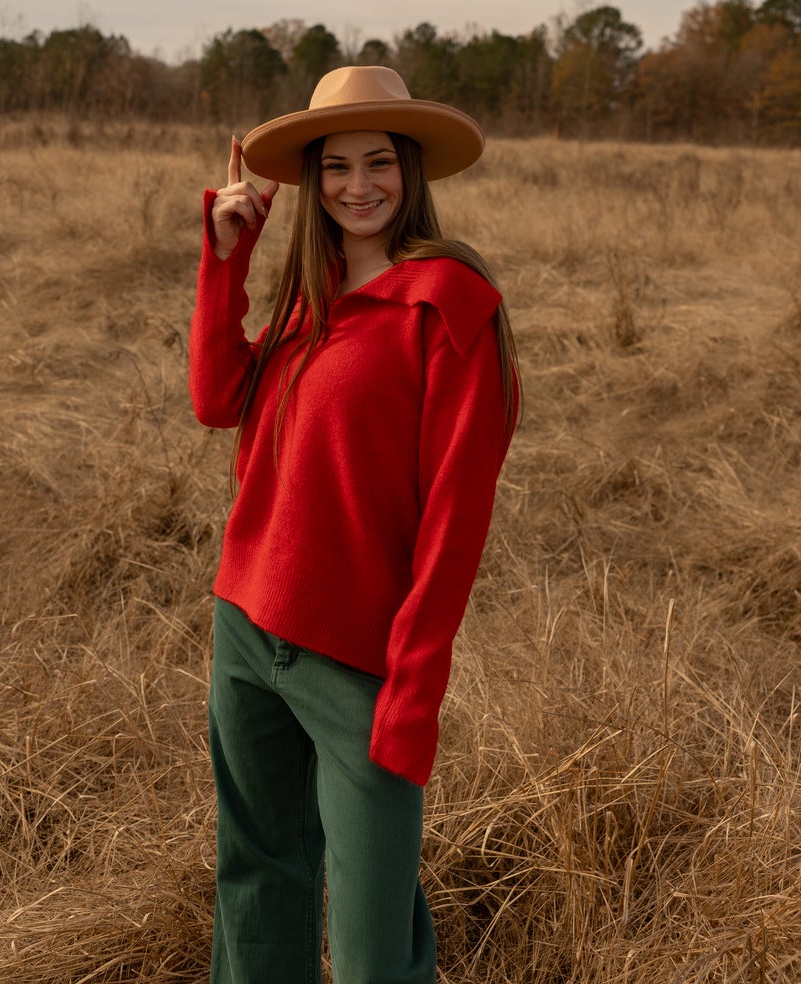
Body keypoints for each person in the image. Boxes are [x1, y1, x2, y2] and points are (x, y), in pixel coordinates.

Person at [188, 64, 520, 984]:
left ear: (411, 170)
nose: (358, 186)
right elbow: (218, 399)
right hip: (246, 631)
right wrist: (226, 261)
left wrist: (414, 692)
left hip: (361, 664)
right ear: (312, 180)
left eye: (379, 162)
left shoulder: (449, 304)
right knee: (258, 884)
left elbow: (456, 521)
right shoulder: (310, 294)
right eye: (336, 166)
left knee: (376, 950)